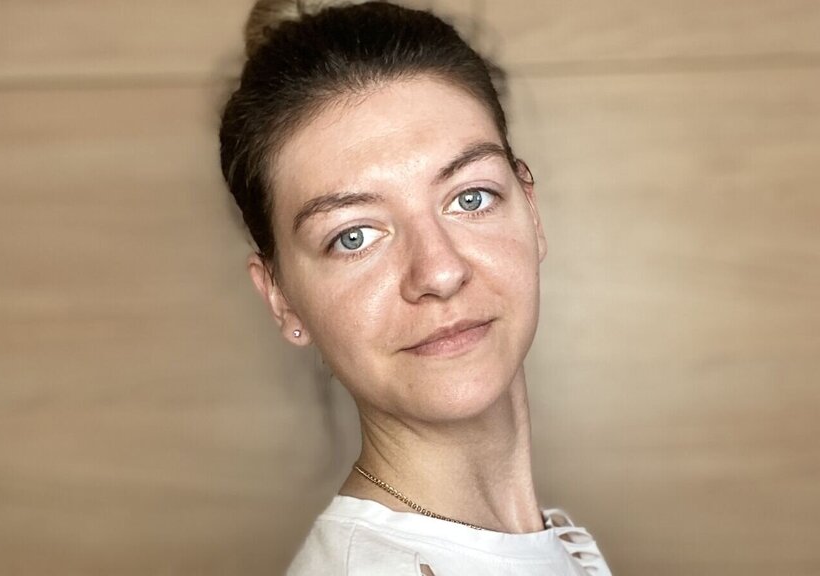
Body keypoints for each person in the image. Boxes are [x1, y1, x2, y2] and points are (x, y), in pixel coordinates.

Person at [219, 1, 612, 573]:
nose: (439, 272)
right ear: (280, 297)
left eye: (470, 198)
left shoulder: (544, 546)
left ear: (531, 211)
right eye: (353, 236)